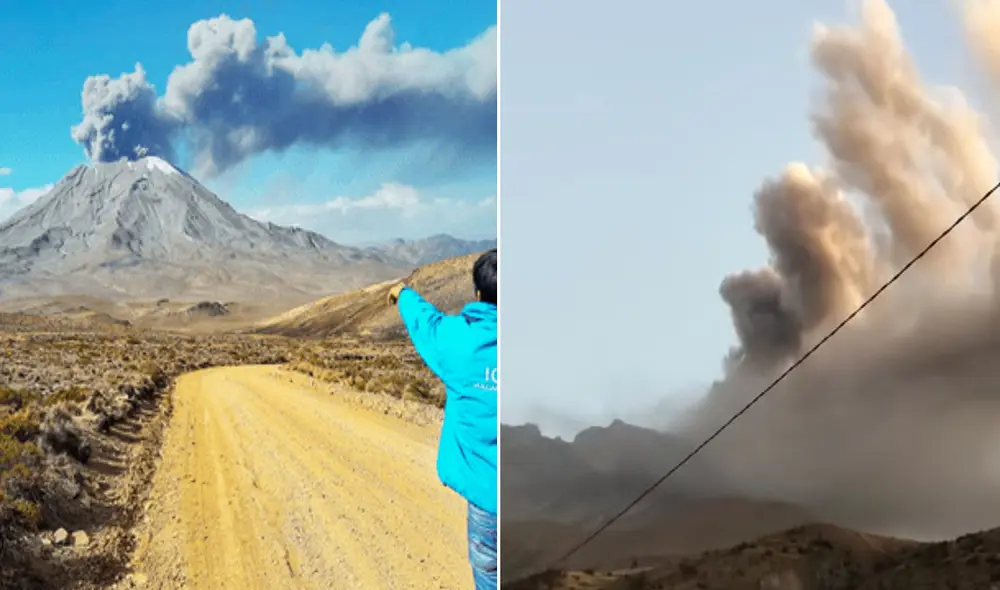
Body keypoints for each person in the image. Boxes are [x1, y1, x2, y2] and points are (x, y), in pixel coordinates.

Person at [387, 248, 498, 589]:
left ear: (478, 293)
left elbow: (425, 321)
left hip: (488, 501)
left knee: (489, 576)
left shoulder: (458, 341)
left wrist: (401, 293)